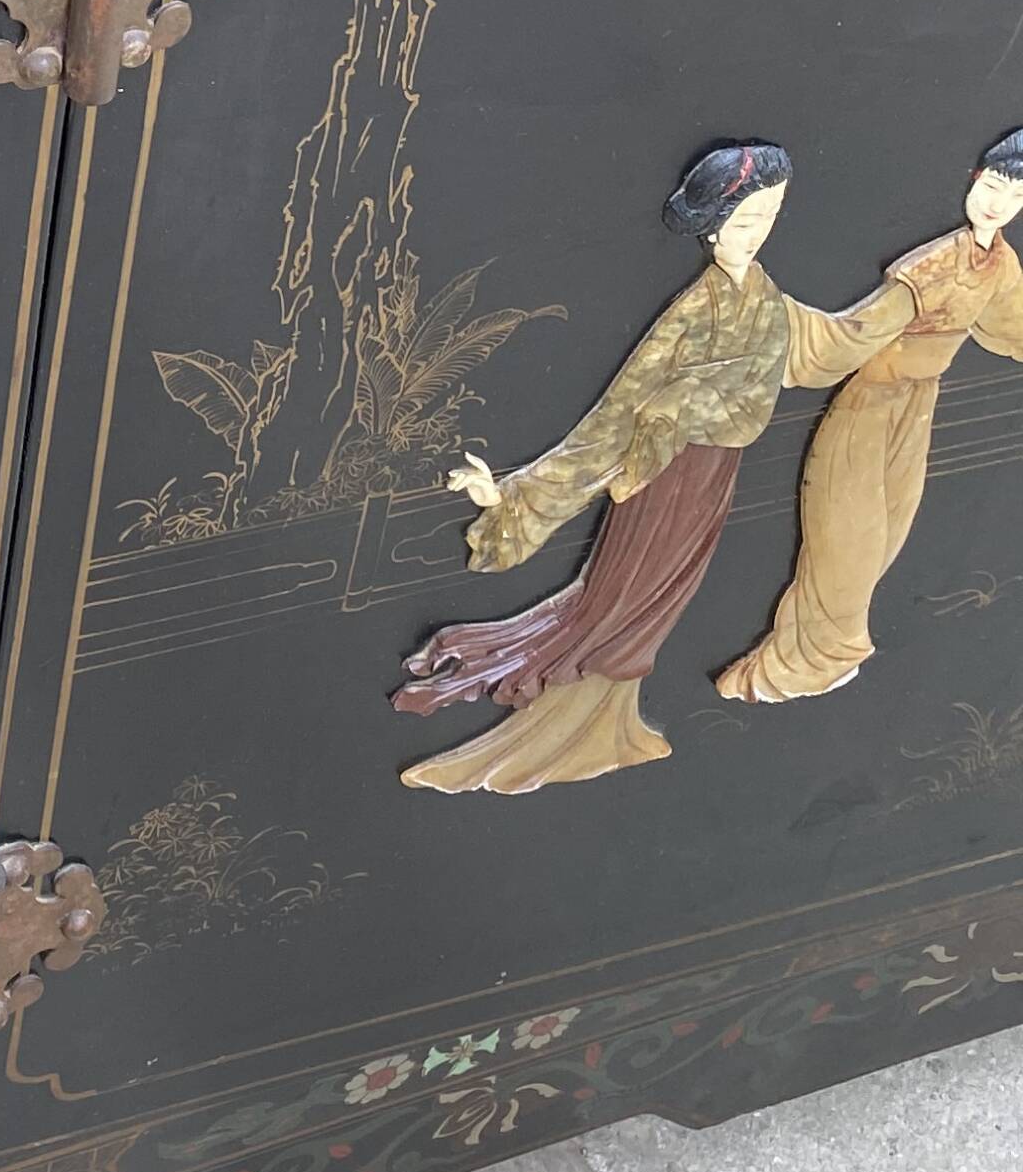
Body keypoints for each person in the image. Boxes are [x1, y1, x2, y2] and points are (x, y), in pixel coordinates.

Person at [393, 143, 918, 795]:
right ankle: (569, 731)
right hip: (663, 478)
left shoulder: (765, 299)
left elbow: (830, 343)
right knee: (625, 601)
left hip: (712, 479)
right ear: (712, 225)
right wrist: (505, 492)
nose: (759, 236)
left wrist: (913, 297)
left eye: (770, 220)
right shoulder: (693, 312)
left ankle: (611, 725)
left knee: (666, 601)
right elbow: (612, 420)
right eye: (747, 223)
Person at [717, 129, 1023, 704]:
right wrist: (765, 306)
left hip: (918, 403)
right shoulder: (932, 267)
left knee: (889, 532)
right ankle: (821, 656)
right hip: (870, 404)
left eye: (1015, 195)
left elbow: (1014, 327)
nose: (996, 202)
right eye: (994, 183)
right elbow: (852, 336)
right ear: (975, 178)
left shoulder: (1000, 266)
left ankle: (814, 651)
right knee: (846, 536)